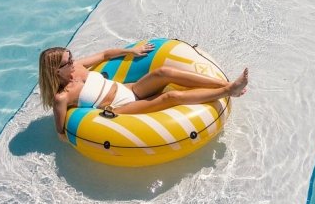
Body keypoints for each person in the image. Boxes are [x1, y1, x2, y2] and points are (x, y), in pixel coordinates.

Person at [39, 43, 249, 141]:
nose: (74, 61)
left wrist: (130, 51)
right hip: (122, 108)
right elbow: (61, 132)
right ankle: (228, 90)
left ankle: (224, 83)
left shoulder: (79, 67)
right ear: (56, 71)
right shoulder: (62, 97)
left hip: (130, 90)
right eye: (68, 61)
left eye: (72, 56)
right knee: (171, 97)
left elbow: (104, 54)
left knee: (164, 72)